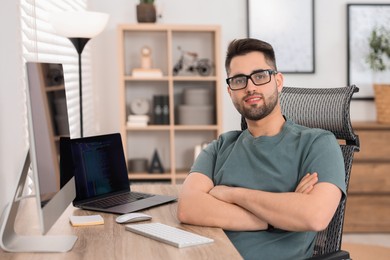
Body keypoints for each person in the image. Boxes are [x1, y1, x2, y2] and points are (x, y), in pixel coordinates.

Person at [177, 38, 346, 260]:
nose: (250, 87)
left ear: (278, 81)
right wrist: (277, 218)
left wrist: (231, 194)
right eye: (239, 80)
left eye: (260, 76)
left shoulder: (318, 144)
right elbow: (188, 207)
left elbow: (314, 216)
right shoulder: (221, 147)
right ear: (230, 92)